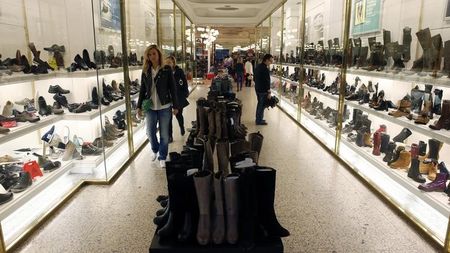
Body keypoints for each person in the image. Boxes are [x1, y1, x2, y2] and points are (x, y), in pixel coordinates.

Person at [136, 45, 179, 168]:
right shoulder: (145, 71)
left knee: (164, 135)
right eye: (149, 55)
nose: (152, 57)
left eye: (154, 54)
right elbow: (142, 90)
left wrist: (176, 106)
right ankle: (155, 149)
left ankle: (162, 156)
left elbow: (173, 88)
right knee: (150, 132)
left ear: (159, 54)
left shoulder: (166, 69)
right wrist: (139, 106)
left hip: (164, 107)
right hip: (150, 107)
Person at [165, 56, 189, 142]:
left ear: (173, 63)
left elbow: (184, 82)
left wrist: (186, 92)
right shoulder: (164, 72)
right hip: (168, 98)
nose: (168, 64)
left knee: (178, 115)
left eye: (169, 62)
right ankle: (170, 136)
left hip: (178, 97)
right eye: (166, 62)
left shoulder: (179, 72)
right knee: (168, 118)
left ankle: (181, 126)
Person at [254, 54, 273, 125]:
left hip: (258, 88)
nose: (271, 63)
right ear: (267, 60)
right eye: (270, 61)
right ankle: (259, 120)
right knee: (261, 105)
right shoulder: (265, 69)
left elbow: (254, 78)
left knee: (260, 104)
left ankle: (259, 119)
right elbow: (266, 81)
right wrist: (269, 92)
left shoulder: (258, 67)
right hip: (263, 90)